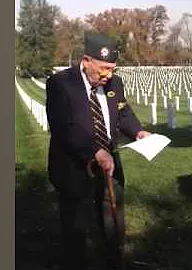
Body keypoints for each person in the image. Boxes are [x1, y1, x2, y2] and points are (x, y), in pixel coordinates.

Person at [45, 31, 151, 270]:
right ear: (86, 61)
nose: (108, 75)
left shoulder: (115, 83)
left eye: (113, 68)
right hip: (73, 166)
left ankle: (114, 259)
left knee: (113, 217)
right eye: (103, 68)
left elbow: (123, 112)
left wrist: (138, 132)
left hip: (109, 162)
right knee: (76, 226)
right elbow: (64, 127)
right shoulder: (61, 85)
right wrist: (95, 151)